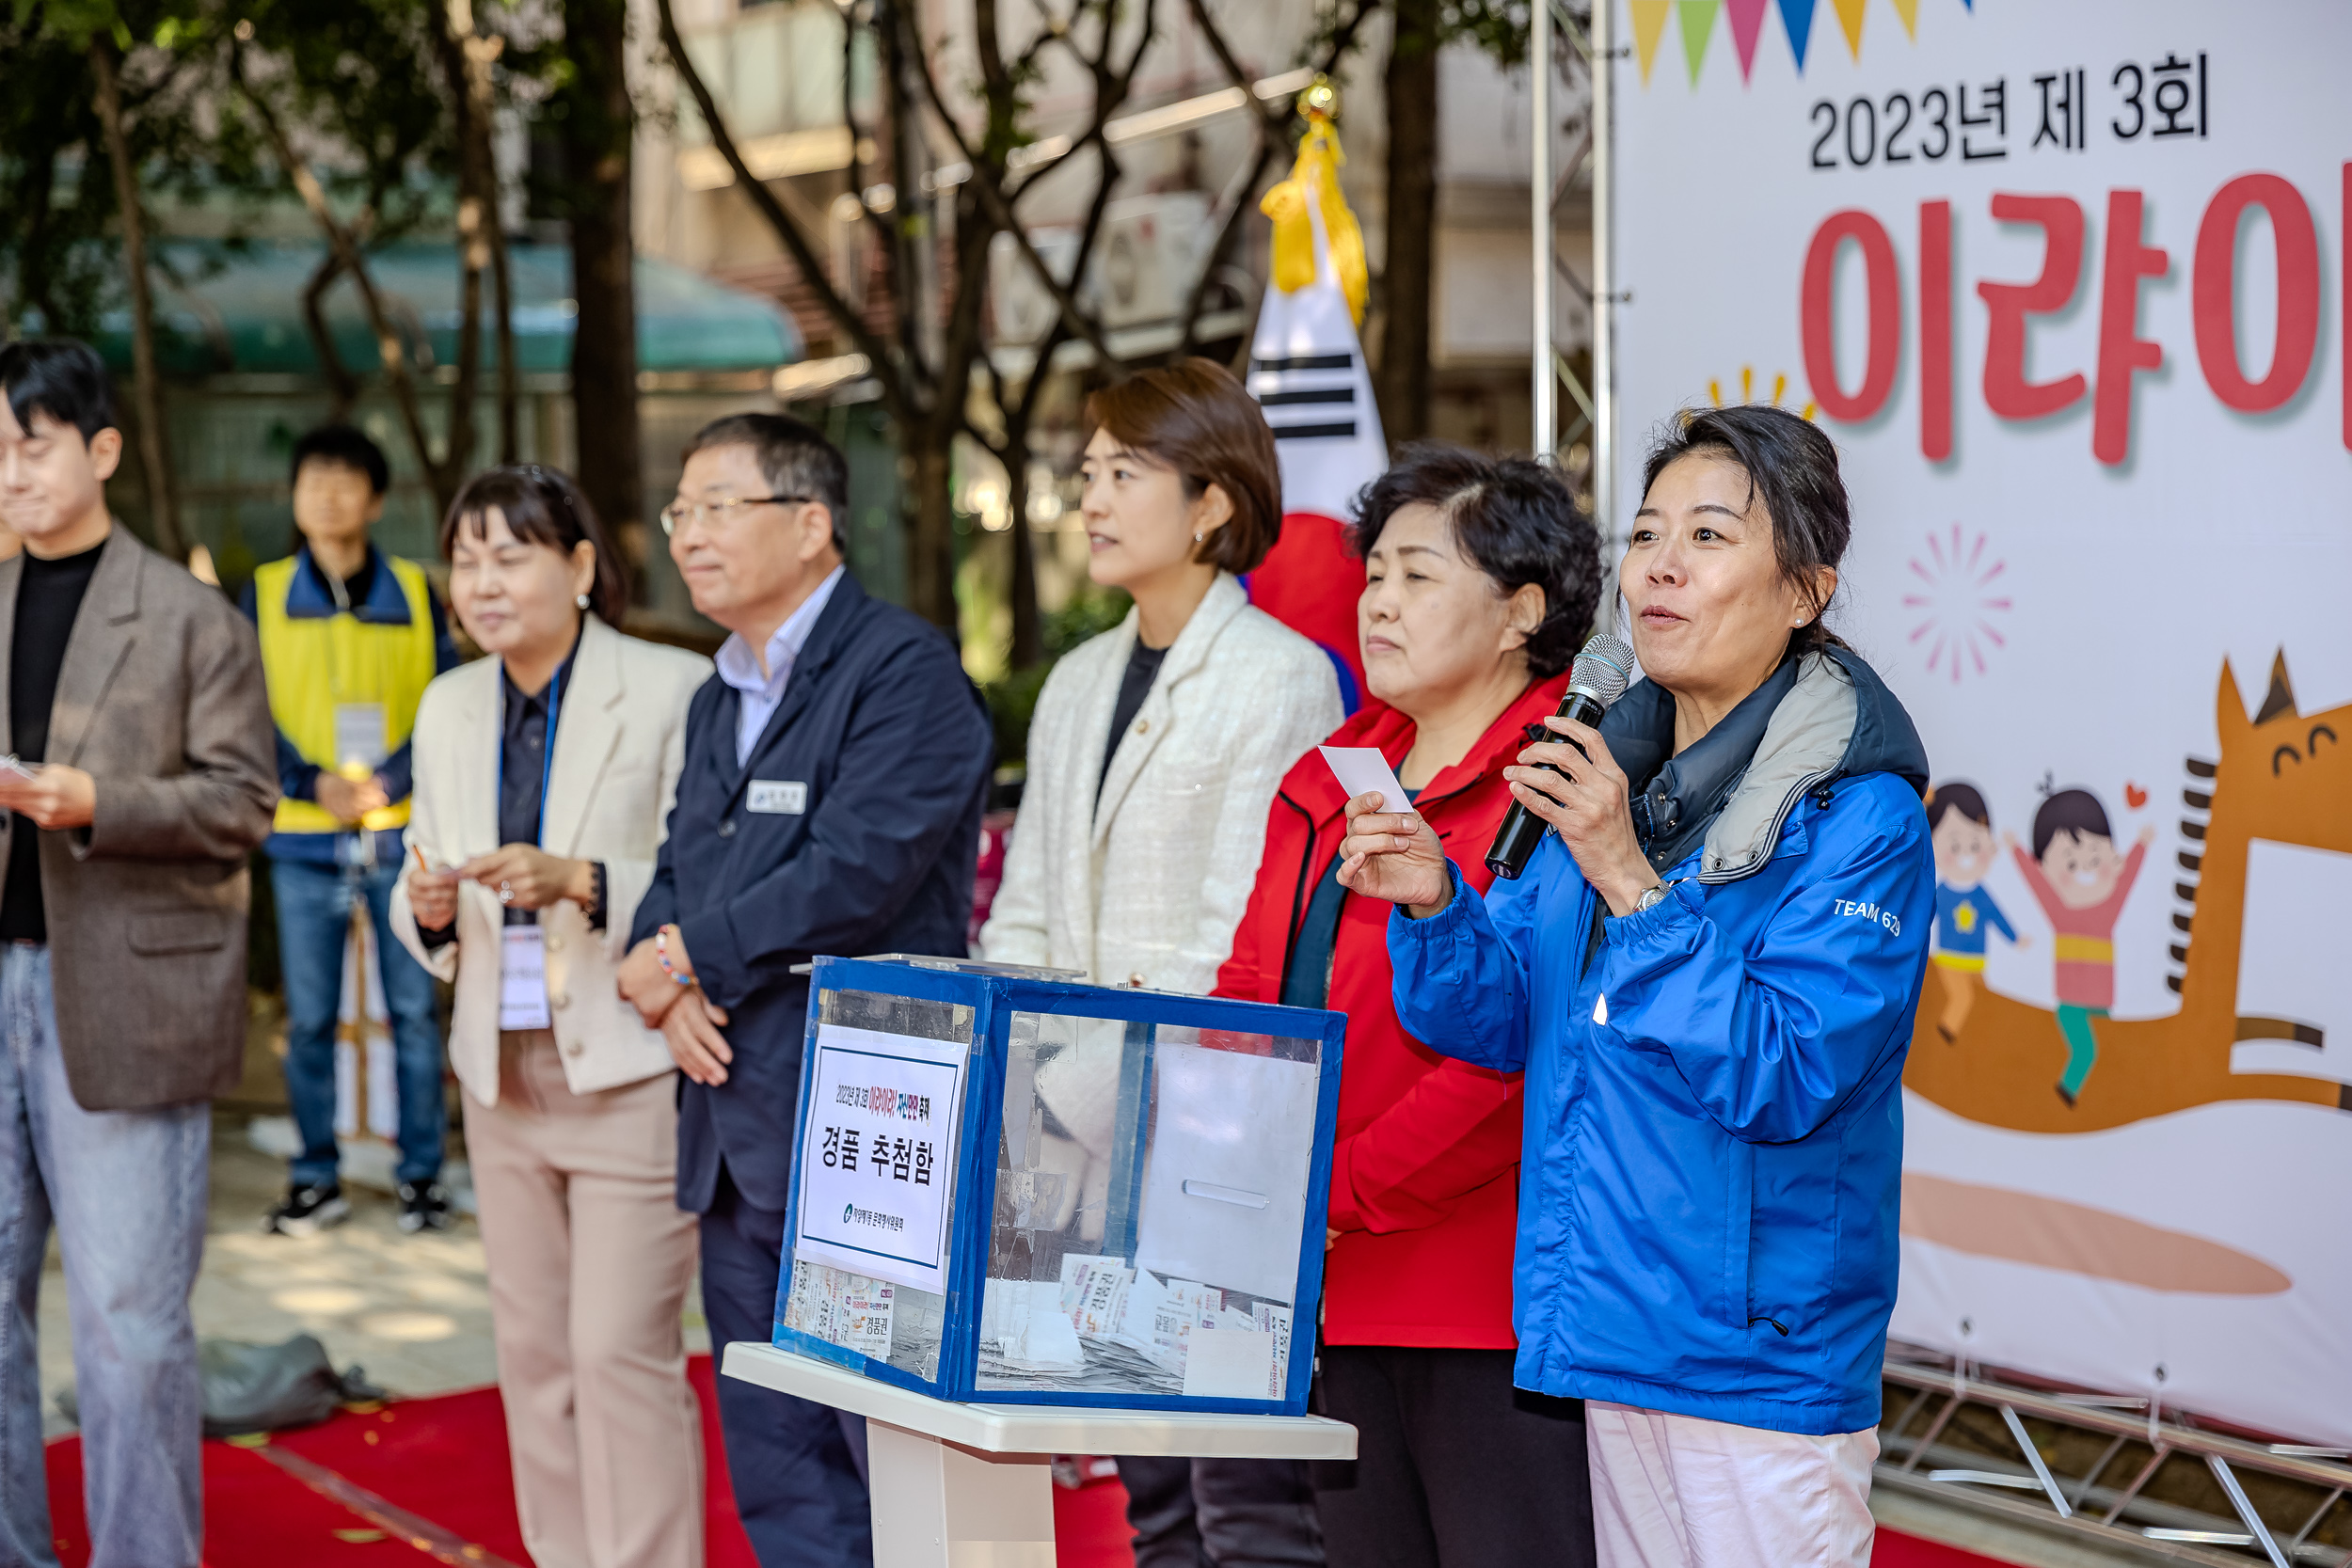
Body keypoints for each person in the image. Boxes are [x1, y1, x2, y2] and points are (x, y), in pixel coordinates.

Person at [1338, 405, 1933, 1568]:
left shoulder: (1859, 817)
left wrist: (1627, 879)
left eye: (1708, 537)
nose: (1659, 564)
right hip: (1612, 1328)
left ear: (1805, 590)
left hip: (1754, 1360)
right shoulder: (1614, 766)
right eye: (1649, 532)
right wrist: (1434, 903)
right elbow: (1502, 1017)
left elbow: (1791, 1071)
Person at [978, 360, 1342, 1568]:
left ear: (1210, 503)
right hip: (1075, 1133)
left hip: (1205, 1130)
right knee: (1148, 1480)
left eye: (1123, 471)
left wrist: (1061, 1092)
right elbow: (1024, 907)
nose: (1088, 496)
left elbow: (1231, 936)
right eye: (1085, 471)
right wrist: (1018, 1077)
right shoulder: (1077, 679)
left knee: (1242, 1489)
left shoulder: (1280, 674)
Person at [616, 414, 993, 1568]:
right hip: (731, 1125)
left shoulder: (905, 671)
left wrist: (684, 958)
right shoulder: (713, 688)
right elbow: (678, 863)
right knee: (777, 1462)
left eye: (720, 505)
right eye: (681, 511)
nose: (689, 534)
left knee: (882, 1446)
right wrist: (661, 973)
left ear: (812, 522)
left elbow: (856, 870)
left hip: (855, 1130)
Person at [1215, 446, 1601, 1568]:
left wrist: (1329, 1193)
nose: (1378, 600)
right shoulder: (1328, 773)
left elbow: (1515, 1054)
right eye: (1374, 572)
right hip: (1324, 1279)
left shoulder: (1560, 786)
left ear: (1518, 611)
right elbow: (1246, 991)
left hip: (1486, 1299)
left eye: (1418, 575)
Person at [389, 464, 714, 1568]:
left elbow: (699, 873)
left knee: (617, 1347)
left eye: (510, 553)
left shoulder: (669, 686)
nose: (481, 581)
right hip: (500, 1063)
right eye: (465, 557)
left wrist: (579, 875)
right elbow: (418, 867)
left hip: (627, 1061)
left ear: (579, 567)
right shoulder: (448, 703)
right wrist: (426, 905)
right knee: (532, 1351)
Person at [0, 338, 278, 1565]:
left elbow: (243, 800)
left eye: (29, 442)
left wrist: (95, 800)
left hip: (121, 988)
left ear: (101, 449)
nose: (6, 471)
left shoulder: (187, 614)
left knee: (128, 1318)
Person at [245, 423, 461, 1236]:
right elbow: (242, 710)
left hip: (400, 835)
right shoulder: (261, 592)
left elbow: (447, 700)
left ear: (375, 497)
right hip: (303, 836)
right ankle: (314, 1177)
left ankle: (421, 1179)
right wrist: (312, 782)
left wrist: (391, 780)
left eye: (345, 480)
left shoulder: (414, 588)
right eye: (313, 479)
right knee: (308, 1018)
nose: (327, 495)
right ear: (294, 497)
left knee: (413, 1014)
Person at [2008, 787, 2151, 1106]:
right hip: (2071, 1004)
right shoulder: (2061, 914)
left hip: (2102, 1004)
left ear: (2112, 857)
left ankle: (2089, 1099)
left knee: (2107, 1052)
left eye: (2095, 858)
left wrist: (2141, 845)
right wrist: (2016, 851)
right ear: (2046, 867)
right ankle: (2067, 1090)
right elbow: (2037, 884)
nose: (2085, 870)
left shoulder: (2107, 912)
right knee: (2086, 1050)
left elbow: (2126, 880)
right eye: (2070, 864)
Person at [1924, 782, 2023, 1044]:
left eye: (1975, 843)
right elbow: (1925, 916)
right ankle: (1947, 1029)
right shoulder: (1942, 891)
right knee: (1962, 997)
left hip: (1976, 960)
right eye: (1955, 846)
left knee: (1984, 998)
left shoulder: (1981, 894)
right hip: (1949, 958)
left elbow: (1997, 917)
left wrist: (2015, 938)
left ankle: (1974, 1042)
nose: (1966, 854)